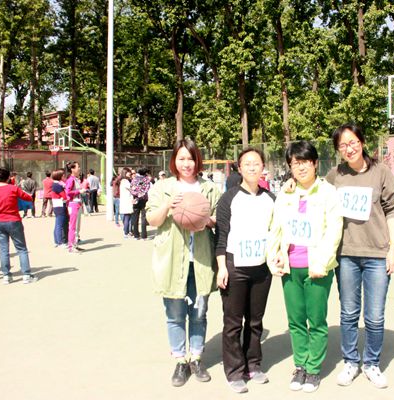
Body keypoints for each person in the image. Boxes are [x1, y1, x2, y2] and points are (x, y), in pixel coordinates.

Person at [325, 124, 394, 389]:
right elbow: (316, 196)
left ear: (362, 142)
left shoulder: (381, 172)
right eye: (343, 145)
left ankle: (371, 363)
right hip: (346, 255)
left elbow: (392, 210)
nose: (349, 148)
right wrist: (291, 183)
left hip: (377, 254)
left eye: (353, 142)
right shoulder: (334, 176)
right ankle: (350, 361)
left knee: (375, 316)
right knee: (348, 313)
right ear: (338, 149)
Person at [267, 141, 343, 393]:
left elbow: (334, 230)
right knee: (296, 320)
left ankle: (313, 369)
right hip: (290, 268)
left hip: (317, 268)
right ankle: (300, 365)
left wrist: (321, 263)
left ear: (315, 164)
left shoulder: (328, 193)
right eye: (295, 163)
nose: (300, 168)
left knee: (316, 320)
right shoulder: (286, 193)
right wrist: (274, 256)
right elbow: (276, 228)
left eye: (304, 162)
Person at [146, 138, 220, 387]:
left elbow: (218, 219)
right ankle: (180, 360)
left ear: (197, 160)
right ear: (174, 161)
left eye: (190, 158)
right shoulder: (162, 187)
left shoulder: (209, 188)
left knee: (199, 312)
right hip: (171, 260)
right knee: (175, 314)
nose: (186, 164)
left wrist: (205, 219)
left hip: (200, 259)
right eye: (181, 159)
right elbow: (152, 220)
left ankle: (196, 358)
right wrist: (169, 205)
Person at [215, 148, 276, 393]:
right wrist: (222, 267)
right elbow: (221, 236)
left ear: (263, 167)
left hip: (261, 268)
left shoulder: (271, 198)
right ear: (239, 168)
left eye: (256, 163)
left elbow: (277, 232)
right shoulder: (228, 198)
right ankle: (234, 371)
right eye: (247, 163)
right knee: (233, 323)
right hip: (234, 266)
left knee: (255, 321)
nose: (252, 167)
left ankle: (253, 364)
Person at [0, 168, 37, 284]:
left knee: (3, 249)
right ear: (8, 177)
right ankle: (26, 275)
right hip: (13, 220)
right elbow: (28, 197)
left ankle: (6, 275)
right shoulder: (13, 188)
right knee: (21, 248)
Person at [65, 161, 87, 254]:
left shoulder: (75, 179)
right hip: (73, 204)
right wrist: (79, 191)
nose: (79, 168)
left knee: (76, 226)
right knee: (72, 226)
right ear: (72, 169)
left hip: (77, 203)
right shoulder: (71, 179)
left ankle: (75, 244)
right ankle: (71, 246)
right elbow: (67, 192)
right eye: (78, 167)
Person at [130, 168, 151, 240]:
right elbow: (147, 189)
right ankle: (144, 236)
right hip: (144, 199)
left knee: (135, 217)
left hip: (135, 199)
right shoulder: (146, 180)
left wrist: (136, 194)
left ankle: (136, 235)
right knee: (143, 217)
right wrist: (142, 193)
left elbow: (131, 190)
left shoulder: (134, 179)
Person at [51, 169, 69, 247]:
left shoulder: (55, 184)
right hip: (60, 206)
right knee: (60, 225)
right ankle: (60, 242)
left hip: (56, 206)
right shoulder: (58, 185)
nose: (64, 177)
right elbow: (64, 196)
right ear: (60, 176)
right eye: (63, 176)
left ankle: (56, 241)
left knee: (57, 224)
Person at [119, 167, 134, 238]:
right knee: (127, 217)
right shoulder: (125, 181)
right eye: (128, 172)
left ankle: (128, 231)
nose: (130, 173)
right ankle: (126, 232)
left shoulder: (124, 181)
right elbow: (131, 189)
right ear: (125, 173)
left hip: (126, 201)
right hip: (127, 201)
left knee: (128, 217)